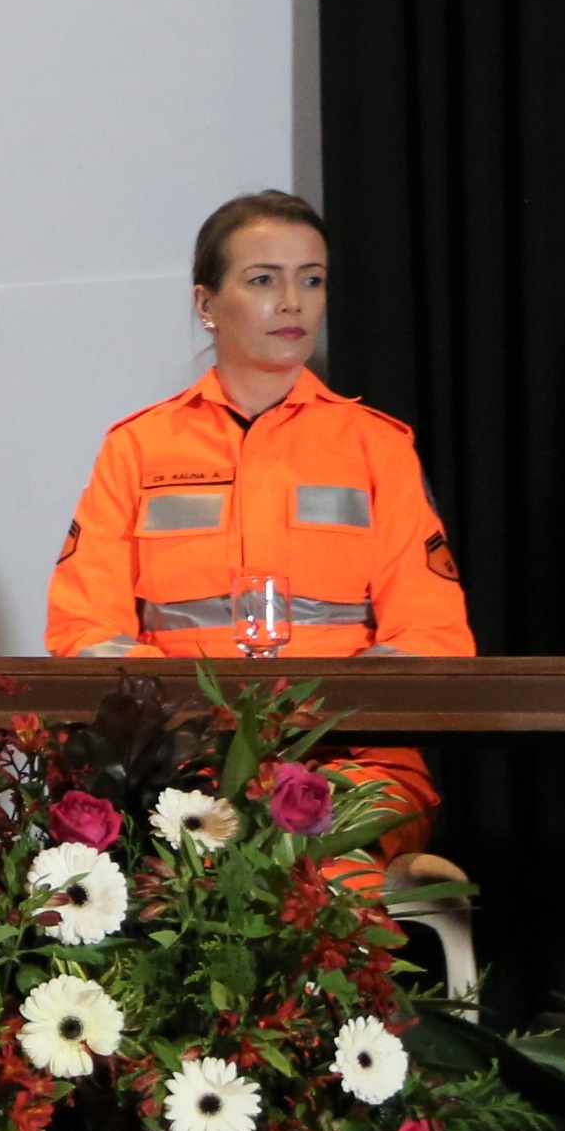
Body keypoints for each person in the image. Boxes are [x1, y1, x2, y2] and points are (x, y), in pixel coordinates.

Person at [46, 190, 469, 848]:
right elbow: (84, 631)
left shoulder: (377, 446)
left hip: (350, 761)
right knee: (178, 894)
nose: (292, 301)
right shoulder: (137, 447)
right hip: (182, 762)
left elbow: (434, 635)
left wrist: (312, 728)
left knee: (317, 887)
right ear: (206, 304)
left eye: (312, 280)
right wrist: (193, 734)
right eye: (264, 280)